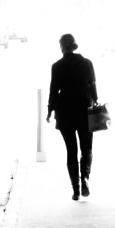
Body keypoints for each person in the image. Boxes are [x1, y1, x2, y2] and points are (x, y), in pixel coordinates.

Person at [46, 33, 98, 200]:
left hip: (65, 113)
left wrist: (49, 111)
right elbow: (92, 86)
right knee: (86, 148)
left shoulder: (57, 66)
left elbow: (53, 91)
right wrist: (95, 101)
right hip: (84, 110)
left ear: (62, 47)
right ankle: (85, 180)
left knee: (71, 150)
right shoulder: (87, 63)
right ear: (74, 45)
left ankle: (75, 189)